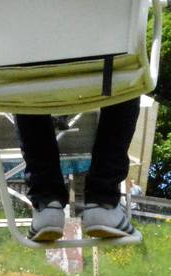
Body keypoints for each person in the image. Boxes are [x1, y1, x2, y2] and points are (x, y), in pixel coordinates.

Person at [18, 97, 141, 243]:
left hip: (28, 88)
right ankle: (103, 201)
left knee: (23, 90)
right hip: (100, 85)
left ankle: (46, 204)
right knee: (126, 86)